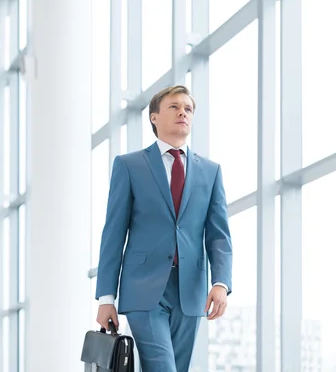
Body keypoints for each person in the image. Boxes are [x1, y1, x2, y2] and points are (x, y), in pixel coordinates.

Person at [94, 84, 233, 371]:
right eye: (174, 106)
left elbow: (219, 235)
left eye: (188, 108)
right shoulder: (129, 165)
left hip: (191, 291)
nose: (183, 112)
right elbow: (113, 234)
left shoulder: (211, 171)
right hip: (143, 289)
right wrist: (106, 297)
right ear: (154, 117)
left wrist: (220, 283)